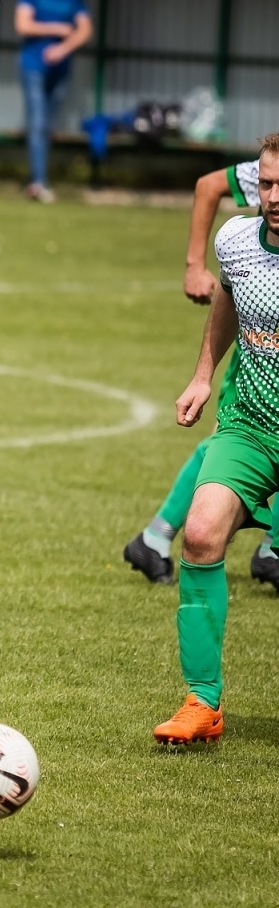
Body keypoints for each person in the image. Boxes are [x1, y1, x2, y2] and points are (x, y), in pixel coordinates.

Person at [152, 132, 279, 744]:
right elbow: (227, 300)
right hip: (250, 427)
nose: (274, 196)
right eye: (268, 184)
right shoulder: (235, 240)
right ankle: (202, 703)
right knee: (200, 535)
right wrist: (203, 374)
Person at [125, 156, 279, 589]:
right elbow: (211, 185)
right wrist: (195, 265)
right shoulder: (268, 176)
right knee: (241, 435)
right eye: (269, 185)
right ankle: (161, 537)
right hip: (259, 342)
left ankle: (158, 537)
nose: (273, 194)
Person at [13, 0, 91, 203]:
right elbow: (23, 24)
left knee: (47, 126)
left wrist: (63, 48)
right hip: (33, 65)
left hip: (60, 69)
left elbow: (84, 30)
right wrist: (56, 28)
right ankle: (38, 182)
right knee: (37, 123)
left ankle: (39, 179)